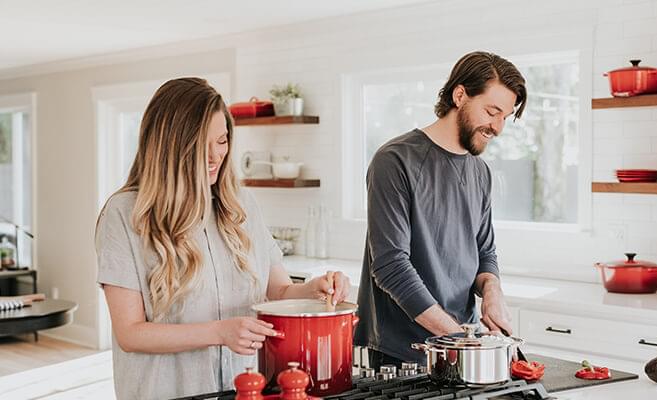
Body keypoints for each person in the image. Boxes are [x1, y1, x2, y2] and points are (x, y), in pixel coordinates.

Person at [95, 77, 351, 400]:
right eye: (203, 145)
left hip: (243, 390)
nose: (216, 156)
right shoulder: (124, 215)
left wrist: (314, 290)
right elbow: (130, 333)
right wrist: (218, 333)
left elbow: (280, 291)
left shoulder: (241, 206)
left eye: (222, 141)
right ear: (170, 147)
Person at [353, 51, 527, 369]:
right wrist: (460, 340)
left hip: (464, 342)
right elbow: (390, 267)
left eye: (505, 116)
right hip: (402, 353)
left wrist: (492, 291)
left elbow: (484, 252)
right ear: (459, 95)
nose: (498, 127)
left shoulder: (481, 172)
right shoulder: (394, 161)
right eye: (492, 111)